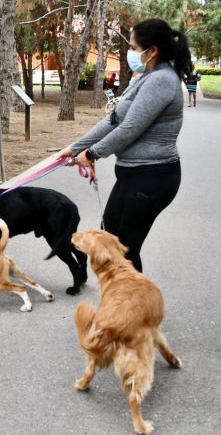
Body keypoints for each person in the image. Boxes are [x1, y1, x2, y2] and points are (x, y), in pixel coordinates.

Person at [58, 18, 192, 273]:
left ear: (152, 50)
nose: (130, 51)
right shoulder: (146, 77)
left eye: (133, 46)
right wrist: (76, 147)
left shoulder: (162, 80)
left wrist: (93, 153)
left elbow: (130, 128)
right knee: (110, 237)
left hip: (152, 177)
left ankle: (133, 308)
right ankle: (125, 305)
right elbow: (114, 120)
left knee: (123, 249)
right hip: (133, 176)